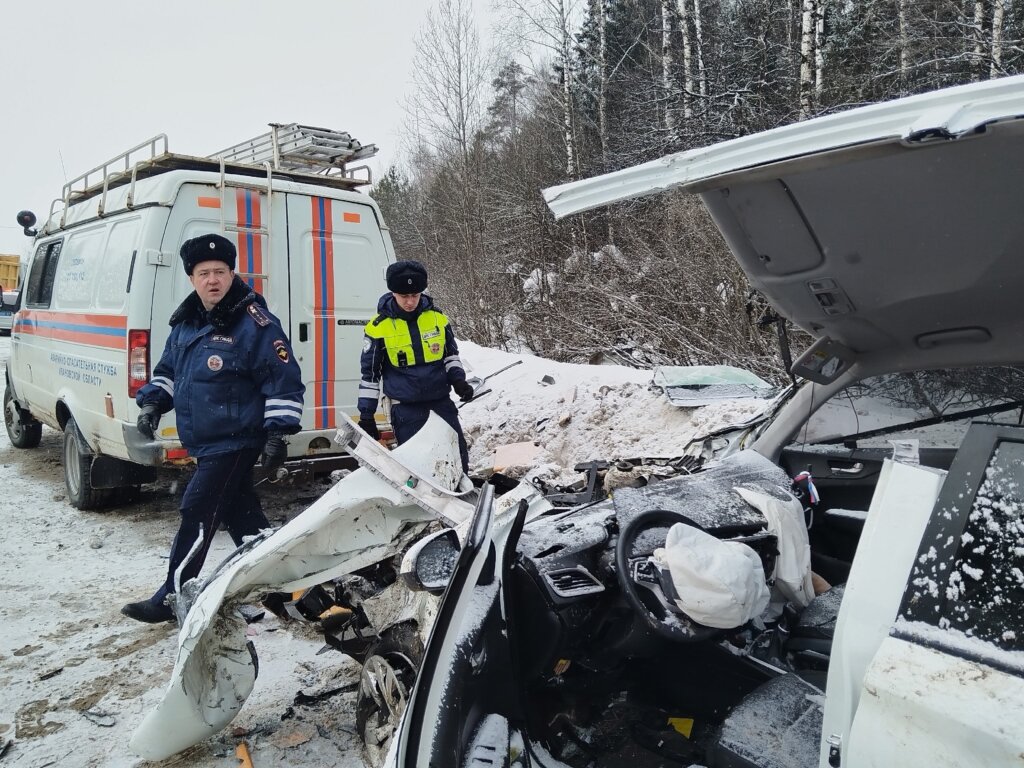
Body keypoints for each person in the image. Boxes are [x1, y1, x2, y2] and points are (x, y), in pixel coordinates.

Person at [121, 234, 305, 624]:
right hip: (206, 439)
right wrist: (153, 402)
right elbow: (170, 371)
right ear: (192, 278)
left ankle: (171, 597)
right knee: (246, 521)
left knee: (197, 509)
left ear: (232, 273)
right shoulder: (187, 323)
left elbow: (282, 378)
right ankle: (294, 592)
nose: (212, 280)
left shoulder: (255, 323)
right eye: (203, 273)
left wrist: (277, 433)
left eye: (220, 271)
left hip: (236, 438)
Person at [358, 259, 473, 473]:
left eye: (415, 295)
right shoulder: (378, 328)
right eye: (404, 296)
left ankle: (462, 501)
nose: (410, 301)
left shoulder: (438, 319)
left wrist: (459, 380)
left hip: (440, 404)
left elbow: (451, 356)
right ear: (393, 293)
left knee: (457, 459)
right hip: (406, 409)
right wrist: (367, 415)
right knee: (418, 469)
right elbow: (370, 376)